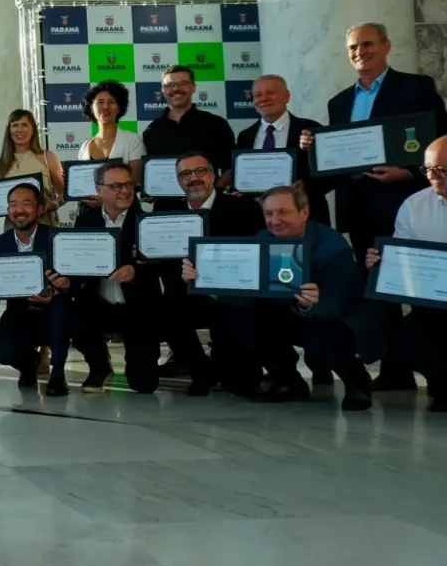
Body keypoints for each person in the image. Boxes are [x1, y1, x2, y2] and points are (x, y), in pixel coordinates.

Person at [308, 22, 447, 390]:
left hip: (407, 205)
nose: (360, 52)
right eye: (353, 47)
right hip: (359, 209)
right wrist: (315, 149)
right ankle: (393, 368)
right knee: (378, 288)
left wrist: (410, 175)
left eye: (367, 44)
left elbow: (438, 143)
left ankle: (437, 372)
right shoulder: (339, 102)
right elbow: (339, 157)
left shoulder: (417, 88)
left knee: (421, 286)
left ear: (386, 46)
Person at [186, 186, 378, 411]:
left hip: (334, 318)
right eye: (268, 214)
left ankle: (356, 382)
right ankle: (288, 381)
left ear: (304, 212)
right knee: (238, 318)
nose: (275, 221)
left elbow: (340, 303)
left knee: (322, 337)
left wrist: (310, 304)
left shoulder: (332, 248)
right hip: (286, 313)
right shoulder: (262, 239)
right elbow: (243, 292)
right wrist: (204, 278)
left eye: (283, 212)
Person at [152, 151, 265, 396]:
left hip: (233, 297)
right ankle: (199, 370)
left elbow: (257, 256)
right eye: (185, 174)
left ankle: (228, 366)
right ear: (178, 181)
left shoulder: (244, 208)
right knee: (166, 310)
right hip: (187, 294)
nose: (193, 178)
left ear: (213, 176)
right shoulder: (167, 212)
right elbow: (163, 263)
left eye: (200, 171)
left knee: (240, 384)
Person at [366, 134, 447, 411]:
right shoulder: (415, 205)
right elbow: (401, 257)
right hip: (433, 304)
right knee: (404, 345)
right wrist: (381, 262)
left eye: (442, 170)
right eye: (429, 170)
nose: (435, 177)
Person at [70, 161, 158, 394]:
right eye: (117, 186)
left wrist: (135, 270)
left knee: (144, 384)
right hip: (98, 302)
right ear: (100, 190)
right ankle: (99, 367)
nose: (125, 191)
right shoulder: (86, 221)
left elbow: (164, 267)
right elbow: (76, 265)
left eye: (129, 184)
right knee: (73, 317)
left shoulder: (147, 222)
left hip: (138, 306)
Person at [0, 183, 74, 394]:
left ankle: (58, 373)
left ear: (40, 209)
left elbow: (75, 281)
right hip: (19, 311)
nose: (19, 210)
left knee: (60, 312)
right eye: (13, 204)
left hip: (54, 308)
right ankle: (29, 366)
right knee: (2, 351)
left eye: (26, 204)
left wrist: (61, 288)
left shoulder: (57, 238)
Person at [233, 74, 330, 225]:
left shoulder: (311, 129)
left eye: (270, 93)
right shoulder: (245, 136)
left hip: (304, 219)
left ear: (287, 96)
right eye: (258, 95)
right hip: (256, 221)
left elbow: (331, 174)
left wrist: (306, 187)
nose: (263, 98)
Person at [142, 65, 236, 175]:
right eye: (170, 85)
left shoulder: (216, 125)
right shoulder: (151, 131)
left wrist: (216, 190)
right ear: (163, 90)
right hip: (164, 193)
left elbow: (231, 166)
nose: (176, 89)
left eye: (183, 83)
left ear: (193, 87)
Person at [0, 109, 65, 225]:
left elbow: (64, 192)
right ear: (9, 130)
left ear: (33, 130)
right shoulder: (0, 164)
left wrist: (54, 203)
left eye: (24, 125)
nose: (19, 129)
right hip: (12, 229)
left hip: (43, 224)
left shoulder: (47, 158)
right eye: (15, 125)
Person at [80, 80, 145, 185]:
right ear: (91, 108)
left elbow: (135, 182)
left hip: (124, 201)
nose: (106, 106)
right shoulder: (84, 147)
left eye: (111, 102)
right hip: (88, 202)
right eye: (100, 102)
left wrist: (104, 197)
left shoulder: (132, 140)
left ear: (119, 108)